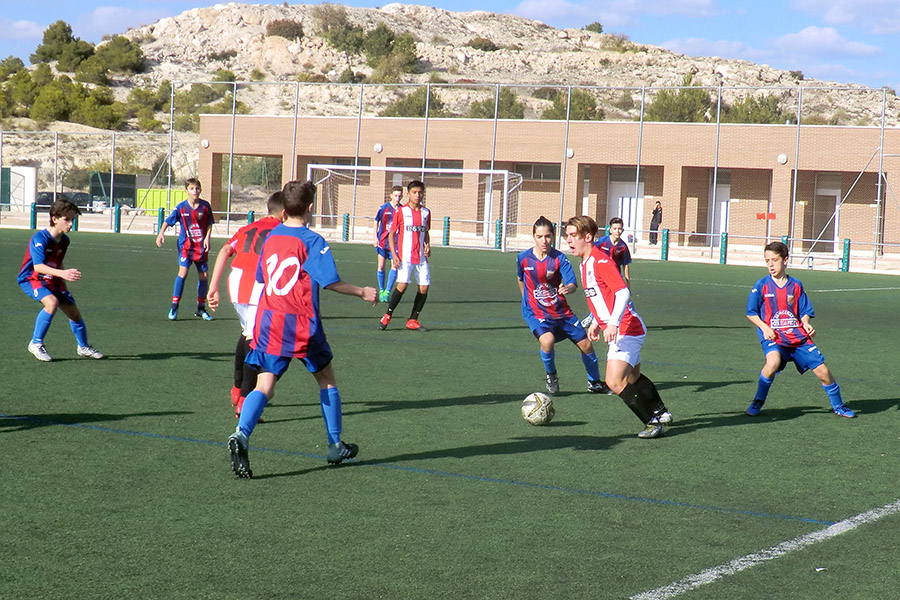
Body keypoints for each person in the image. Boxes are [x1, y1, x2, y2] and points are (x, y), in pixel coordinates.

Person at [227, 180, 377, 479]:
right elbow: (330, 281)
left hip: (270, 321)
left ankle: (241, 434)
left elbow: (261, 280)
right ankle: (335, 444)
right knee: (326, 379)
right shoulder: (312, 240)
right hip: (301, 323)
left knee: (264, 386)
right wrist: (362, 291)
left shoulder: (271, 237)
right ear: (310, 208)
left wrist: (255, 323)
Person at [565, 215, 672, 439]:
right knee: (632, 377)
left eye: (573, 236)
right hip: (623, 326)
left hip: (626, 327)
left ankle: (652, 423)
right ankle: (661, 413)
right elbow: (601, 298)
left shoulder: (601, 261)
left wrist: (612, 323)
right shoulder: (585, 263)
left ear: (588, 236)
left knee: (614, 382)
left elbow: (623, 292)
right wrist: (597, 322)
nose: (568, 240)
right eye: (567, 236)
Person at [745, 241, 855, 418]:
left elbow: (804, 311)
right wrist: (764, 327)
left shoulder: (795, 285)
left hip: (797, 337)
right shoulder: (761, 285)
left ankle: (838, 406)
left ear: (785, 260)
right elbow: (751, 313)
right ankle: (758, 400)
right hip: (774, 336)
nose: (770, 265)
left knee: (823, 372)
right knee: (772, 362)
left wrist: (806, 323)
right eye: (767, 261)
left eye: (774, 260)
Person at [207, 191, 284, 418]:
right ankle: (245, 400)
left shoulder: (247, 228)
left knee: (247, 333)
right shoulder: (281, 230)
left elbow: (224, 250)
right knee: (257, 342)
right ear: (285, 212)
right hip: (258, 285)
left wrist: (213, 286)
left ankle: (237, 387)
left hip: (237, 282)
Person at [517, 216, 610, 395]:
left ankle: (594, 383)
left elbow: (573, 284)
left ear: (552, 236)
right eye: (539, 236)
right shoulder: (523, 258)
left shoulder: (559, 258)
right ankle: (551, 375)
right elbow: (521, 280)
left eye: (548, 236)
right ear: (533, 236)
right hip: (536, 313)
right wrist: (527, 301)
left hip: (562, 313)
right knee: (548, 341)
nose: (544, 241)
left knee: (587, 345)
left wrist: (567, 288)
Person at [17, 197, 104, 362]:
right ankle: (35, 343)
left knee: (74, 313)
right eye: (67, 219)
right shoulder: (40, 239)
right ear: (54, 219)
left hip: (53, 280)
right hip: (31, 279)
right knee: (51, 303)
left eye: (73, 220)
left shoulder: (65, 240)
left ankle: (83, 347)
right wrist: (63, 274)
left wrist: (62, 279)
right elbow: (39, 267)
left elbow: (57, 262)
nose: (71, 224)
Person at [155, 178, 215, 321]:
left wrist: (207, 238)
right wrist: (161, 234)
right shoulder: (181, 207)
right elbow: (168, 221)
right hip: (186, 247)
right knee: (183, 273)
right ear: (186, 191)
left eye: (197, 188)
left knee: (204, 276)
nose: (195, 191)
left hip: (200, 246)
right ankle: (174, 306)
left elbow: (209, 224)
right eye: (192, 188)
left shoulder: (205, 206)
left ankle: (201, 308)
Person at [377, 180, 431, 331]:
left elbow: (425, 232)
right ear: (408, 194)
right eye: (414, 192)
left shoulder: (426, 212)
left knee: (424, 287)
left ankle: (413, 319)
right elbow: (392, 234)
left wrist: (427, 245)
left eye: (420, 192)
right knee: (402, 285)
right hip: (405, 257)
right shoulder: (401, 212)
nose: (417, 195)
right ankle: (387, 315)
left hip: (421, 257)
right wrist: (394, 255)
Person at [582, 216, 632, 328]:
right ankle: (593, 317)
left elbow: (626, 265)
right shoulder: (602, 242)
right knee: (599, 296)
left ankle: (616, 320)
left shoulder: (622, 246)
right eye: (615, 228)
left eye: (619, 229)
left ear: (622, 230)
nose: (617, 231)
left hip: (614, 277)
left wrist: (628, 284)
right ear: (610, 229)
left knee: (617, 298)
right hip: (600, 275)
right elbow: (590, 252)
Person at [374, 185, 403, 302]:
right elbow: (376, 221)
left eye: (400, 196)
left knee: (394, 266)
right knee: (381, 266)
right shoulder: (384, 208)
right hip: (383, 242)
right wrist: (374, 237)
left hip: (395, 244)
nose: (397, 198)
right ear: (391, 195)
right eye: (395, 196)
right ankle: (381, 290)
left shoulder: (402, 210)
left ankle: (387, 292)